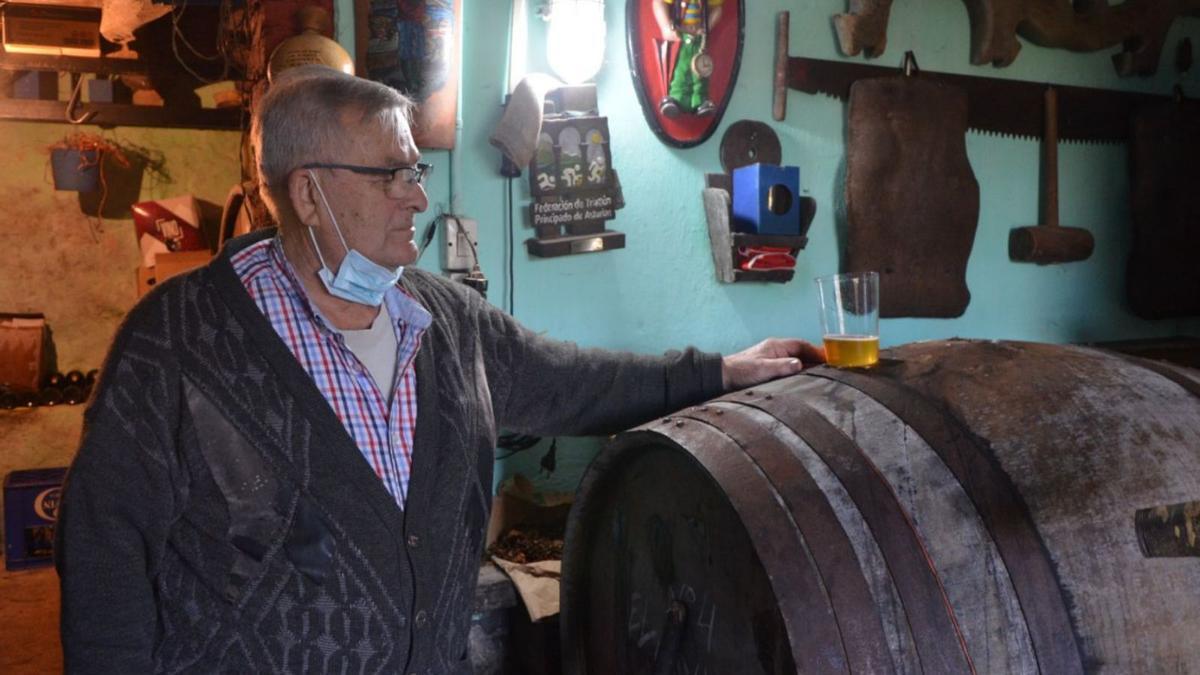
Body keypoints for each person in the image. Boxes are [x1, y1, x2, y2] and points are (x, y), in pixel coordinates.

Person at [55, 65, 823, 673]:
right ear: (309, 192)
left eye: (416, 168)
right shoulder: (178, 341)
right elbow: (102, 551)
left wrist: (721, 370)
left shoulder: (443, 319)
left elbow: (577, 381)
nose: (417, 195)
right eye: (391, 174)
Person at [653, 0, 723, 117]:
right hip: (681, 36)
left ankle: (700, 101)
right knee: (681, 69)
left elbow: (717, 9)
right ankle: (677, 99)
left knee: (701, 70)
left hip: (699, 38)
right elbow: (658, 3)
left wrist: (707, 28)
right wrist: (665, 27)